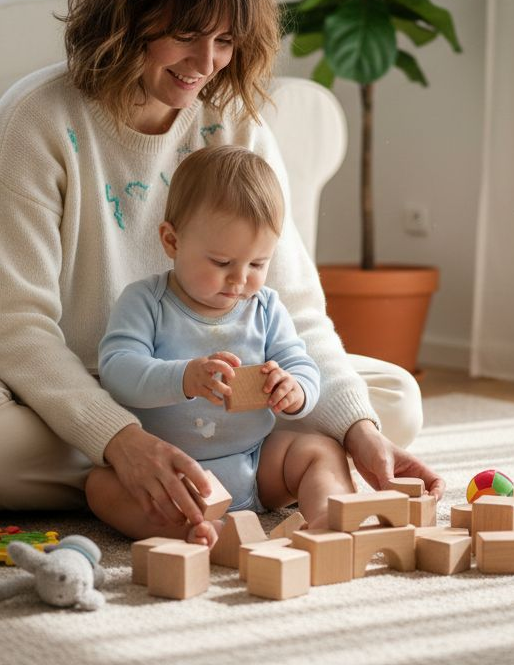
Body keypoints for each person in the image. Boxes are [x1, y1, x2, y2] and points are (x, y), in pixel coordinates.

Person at [0, 0, 443, 529]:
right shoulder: (35, 119)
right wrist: (119, 436)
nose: (205, 64)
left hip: (206, 399)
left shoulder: (233, 124)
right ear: (127, 15)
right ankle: (182, 472)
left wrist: (359, 429)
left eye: (225, 40)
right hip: (42, 390)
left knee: (391, 402)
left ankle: (139, 483)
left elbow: (295, 307)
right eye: (186, 33)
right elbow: (15, 331)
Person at [91, 145, 353, 545]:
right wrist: (184, 377)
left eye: (257, 265)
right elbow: (117, 370)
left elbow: (301, 364)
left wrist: (294, 389)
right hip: (173, 474)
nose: (239, 280)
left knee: (320, 449)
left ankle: (326, 523)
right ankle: (203, 532)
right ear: (172, 241)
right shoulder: (145, 301)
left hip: (257, 462)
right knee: (99, 487)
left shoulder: (265, 306)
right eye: (221, 263)